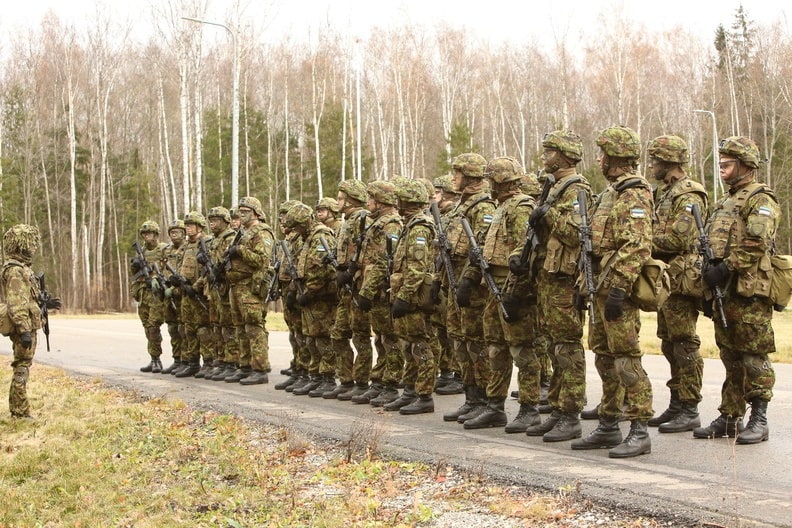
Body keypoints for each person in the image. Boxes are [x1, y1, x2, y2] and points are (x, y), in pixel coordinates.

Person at [570, 125, 654, 458]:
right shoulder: (609, 193)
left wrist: (619, 289)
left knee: (626, 362)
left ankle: (639, 428)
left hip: (618, 291)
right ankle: (608, 424)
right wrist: (583, 286)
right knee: (604, 358)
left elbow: (636, 245)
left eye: (604, 153)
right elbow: (593, 246)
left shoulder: (634, 192)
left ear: (618, 157)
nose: (600, 158)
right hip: (599, 288)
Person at [693, 136, 779, 445]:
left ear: (745, 165)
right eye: (721, 164)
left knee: (753, 356)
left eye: (727, 164)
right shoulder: (725, 202)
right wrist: (707, 272)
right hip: (724, 292)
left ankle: (759, 418)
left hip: (749, 293)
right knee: (730, 357)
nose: (722, 169)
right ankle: (730, 416)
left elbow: (755, 244)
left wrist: (725, 268)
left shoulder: (761, 199)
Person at [457, 156, 540, 432]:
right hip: (493, 287)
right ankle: (495, 406)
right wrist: (471, 276)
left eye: (491, 179)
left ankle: (529, 408)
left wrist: (517, 293)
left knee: (522, 349)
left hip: (511, 289)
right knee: (495, 348)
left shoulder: (521, 208)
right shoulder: (502, 207)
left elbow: (524, 255)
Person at [520, 131, 592, 441]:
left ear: (563, 156)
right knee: (552, 344)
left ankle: (572, 412)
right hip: (547, 278)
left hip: (564, 280)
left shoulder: (576, 189)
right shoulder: (552, 189)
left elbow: (577, 232)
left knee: (567, 347)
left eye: (549, 152)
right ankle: (559, 408)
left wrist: (548, 216)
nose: (544, 157)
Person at [645, 135, 708, 433]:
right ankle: (677, 402)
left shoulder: (689, 194)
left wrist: (640, 241)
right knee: (669, 342)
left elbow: (679, 239)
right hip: (665, 278)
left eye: (655, 160)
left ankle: (691, 406)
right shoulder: (664, 192)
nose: (651, 165)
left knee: (684, 342)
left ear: (669, 162)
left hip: (682, 279)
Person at [443, 153, 497, 424]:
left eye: (457, 173)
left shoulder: (483, 208)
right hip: (454, 284)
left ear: (471, 177)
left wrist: (469, 279)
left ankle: (486, 400)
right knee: (460, 343)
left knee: (477, 344)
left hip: (473, 289)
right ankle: (471, 397)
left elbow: (482, 249)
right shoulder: (460, 207)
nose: (454, 178)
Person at [383, 178, 438, 414]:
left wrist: (404, 297)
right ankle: (410, 391)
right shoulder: (409, 225)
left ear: (408, 201)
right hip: (406, 294)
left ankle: (424, 395)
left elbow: (417, 267)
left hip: (415, 297)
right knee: (408, 345)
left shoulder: (420, 227)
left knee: (420, 345)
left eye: (400, 200)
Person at [351, 180, 404, 406]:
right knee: (381, 339)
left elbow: (384, 262)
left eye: (372, 199)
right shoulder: (377, 223)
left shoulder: (390, 224)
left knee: (390, 339)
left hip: (383, 290)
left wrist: (368, 290)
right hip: (374, 290)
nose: (368, 203)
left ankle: (391, 384)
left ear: (381, 202)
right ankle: (380, 381)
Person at [2, 224, 61, 418]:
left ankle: (18, 409)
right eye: (29, 245)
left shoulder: (21, 269)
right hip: (23, 326)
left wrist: (46, 302)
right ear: (22, 245)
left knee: (23, 365)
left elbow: (28, 298)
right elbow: (16, 303)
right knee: (21, 365)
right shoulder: (16, 271)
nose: (32, 249)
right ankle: (19, 411)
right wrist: (24, 329)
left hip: (27, 324)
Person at [282, 203, 339, 397]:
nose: (295, 231)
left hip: (321, 297)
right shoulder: (307, 239)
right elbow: (300, 268)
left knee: (323, 338)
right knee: (311, 339)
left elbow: (321, 270)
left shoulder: (321, 236)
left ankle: (328, 377)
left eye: (297, 226)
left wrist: (310, 291)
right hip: (308, 295)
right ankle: (315, 376)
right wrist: (293, 290)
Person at [327, 180, 374, 400]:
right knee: (338, 333)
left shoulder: (363, 218)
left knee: (361, 336)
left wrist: (353, 273)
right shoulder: (348, 221)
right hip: (346, 286)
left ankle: (362, 381)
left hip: (358, 283)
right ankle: (345, 379)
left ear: (352, 199)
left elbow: (368, 251)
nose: (338, 202)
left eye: (340, 198)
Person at [225, 196, 276, 385]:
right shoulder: (242, 232)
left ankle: (260, 369)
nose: (241, 214)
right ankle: (245, 365)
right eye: (240, 211)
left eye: (246, 212)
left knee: (254, 327)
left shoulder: (261, 232)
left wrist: (240, 251)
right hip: (237, 285)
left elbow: (262, 260)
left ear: (256, 213)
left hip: (251, 286)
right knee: (240, 328)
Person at [430, 174, 464, 396]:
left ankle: (459, 374)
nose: (433, 196)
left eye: (437, 192)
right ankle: (448, 371)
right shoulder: (439, 216)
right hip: (442, 277)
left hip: (456, 277)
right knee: (445, 328)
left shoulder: (454, 216)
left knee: (457, 330)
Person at [202, 207, 241, 381]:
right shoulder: (213, 240)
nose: (212, 223)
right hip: (215, 288)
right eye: (210, 219)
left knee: (228, 327)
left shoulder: (230, 238)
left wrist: (219, 273)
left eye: (216, 219)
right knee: (217, 326)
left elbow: (232, 264)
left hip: (225, 287)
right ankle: (222, 360)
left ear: (225, 221)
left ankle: (232, 361)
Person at [172, 212, 212, 378]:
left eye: (191, 225)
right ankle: (192, 362)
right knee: (188, 328)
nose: (188, 228)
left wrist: (196, 286)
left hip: (200, 294)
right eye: (187, 225)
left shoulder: (207, 243)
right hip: (186, 294)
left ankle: (209, 362)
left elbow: (210, 269)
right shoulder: (185, 247)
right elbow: (180, 266)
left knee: (204, 329)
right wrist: (176, 282)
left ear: (200, 227)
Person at [131, 220, 168, 373]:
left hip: (156, 294)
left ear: (156, 234)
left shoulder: (163, 249)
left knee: (153, 327)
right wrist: (135, 265)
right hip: (143, 293)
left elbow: (167, 269)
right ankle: (153, 358)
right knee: (147, 326)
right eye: (144, 234)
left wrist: (155, 278)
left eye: (150, 234)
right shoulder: (141, 252)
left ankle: (157, 359)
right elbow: (134, 274)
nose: (147, 237)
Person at [161, 219, 187, 374]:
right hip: (168, 292)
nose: (173, 235)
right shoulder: (167, 250)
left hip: (181, 292)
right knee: (172, 328)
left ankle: (187, 360)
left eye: (176, 232)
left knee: (184, 328)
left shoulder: (187, 249)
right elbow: (162, 268)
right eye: (171, 232)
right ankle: (177, 359)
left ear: (183, 233)